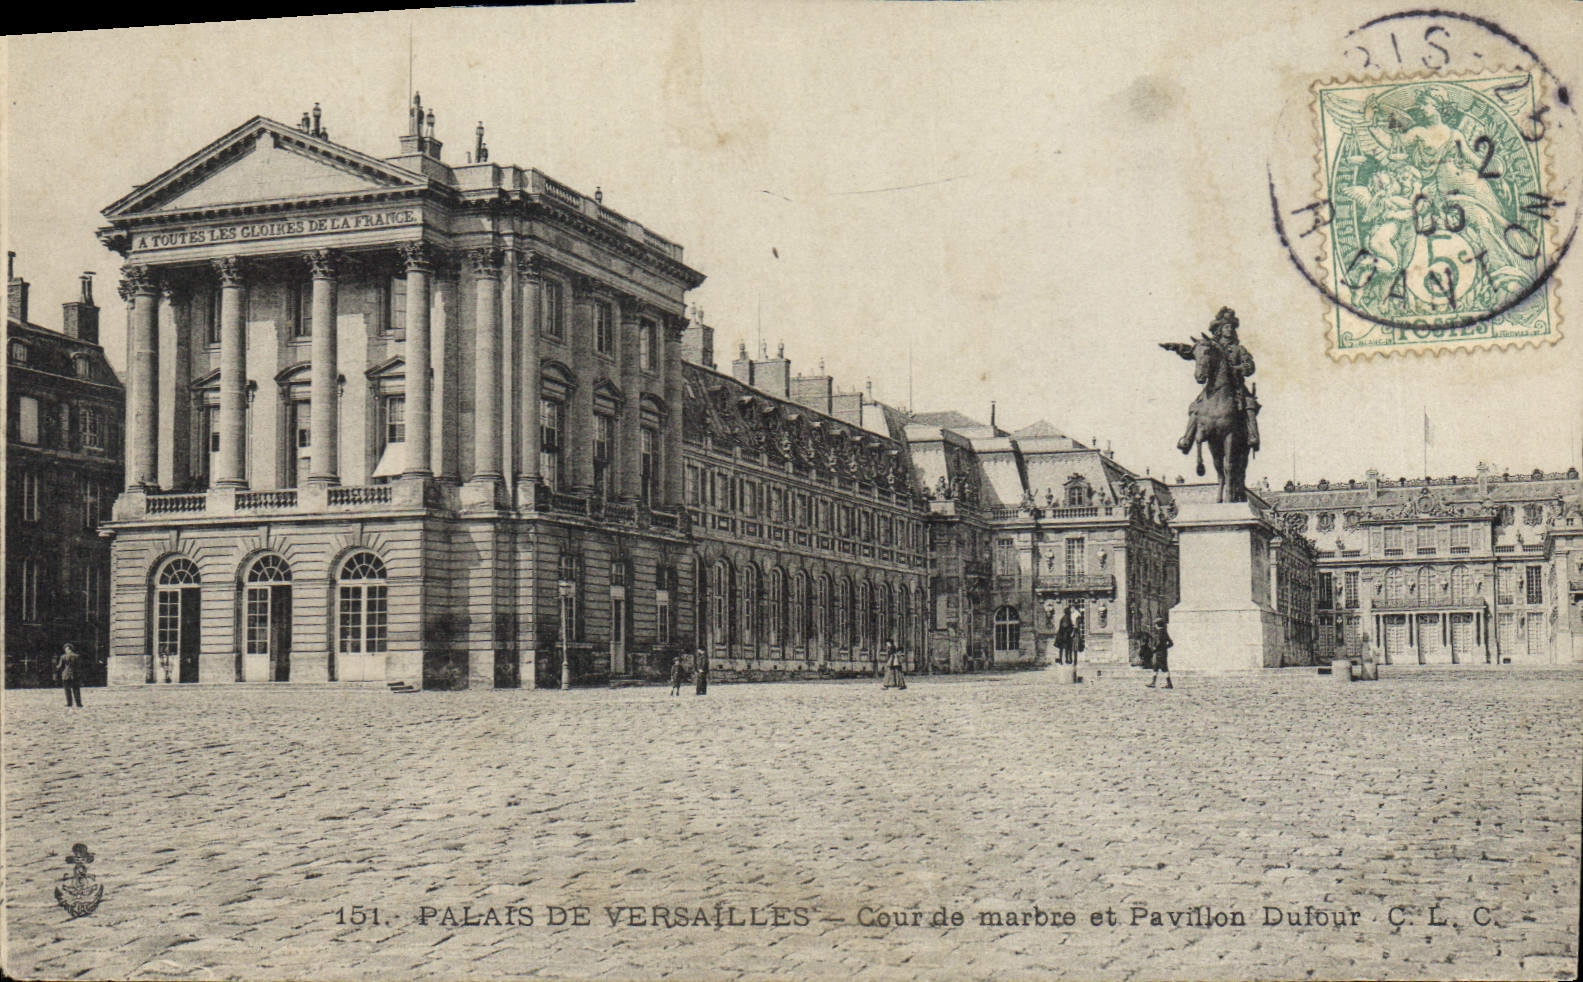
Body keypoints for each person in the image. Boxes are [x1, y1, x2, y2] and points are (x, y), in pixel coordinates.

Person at [1147, 618, 1173, 689]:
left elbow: (1158, 643)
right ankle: (1165, 683)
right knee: (1161, 667)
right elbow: (1171, 643)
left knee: (1158, 667)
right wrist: (1165, 647)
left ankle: (1155, 682)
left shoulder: (1159, 632)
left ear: (1157, 625)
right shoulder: (1165, 632)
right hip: (1164, 652)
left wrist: (1155, 649)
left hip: (1158, 653)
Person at [55, 643, 84, 708]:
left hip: (66, 675)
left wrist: (56, 667)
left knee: (67, 690)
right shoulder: (77, 656)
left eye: (66, 649)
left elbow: (60, 666)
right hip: (74, 674)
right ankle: (78, 703)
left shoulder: (63, 657)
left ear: (66, 649)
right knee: (76, 689)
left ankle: (69, 703)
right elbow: (79, 666)